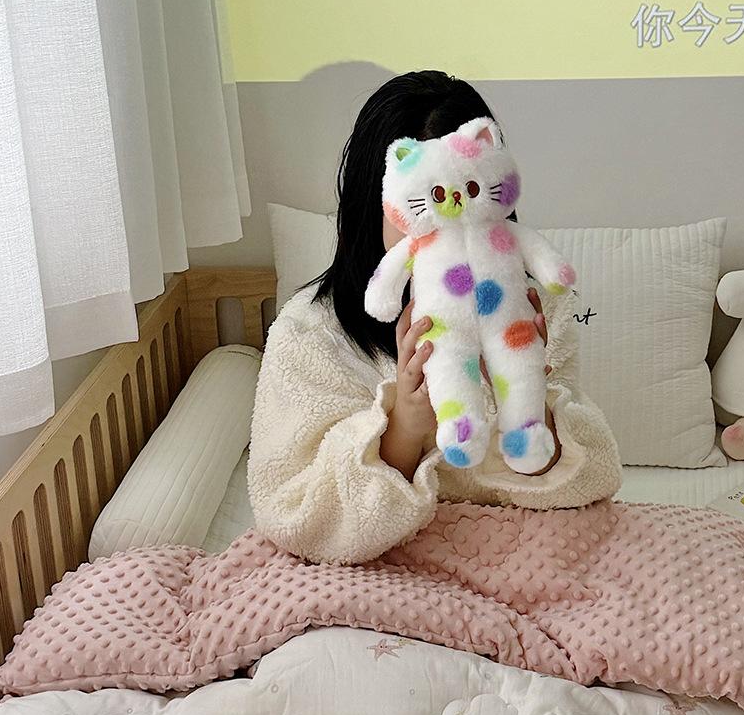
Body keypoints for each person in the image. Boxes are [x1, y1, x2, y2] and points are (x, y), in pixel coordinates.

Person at [248, 71, 621, 565]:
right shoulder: (309, 333)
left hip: (522, 558)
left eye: (466, 192)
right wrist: (405, 423)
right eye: (429, 198)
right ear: (374, 200)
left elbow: (589, 478)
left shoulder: (537, 308)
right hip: (379, 572)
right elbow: (292, 512)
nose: (449, 219)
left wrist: (527, 394)